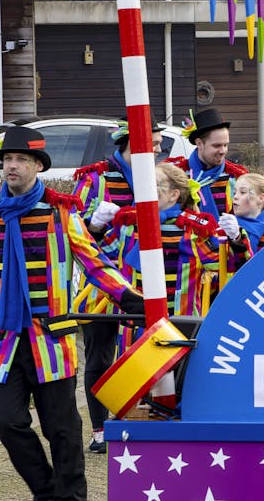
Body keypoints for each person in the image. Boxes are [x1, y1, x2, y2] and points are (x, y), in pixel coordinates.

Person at [0, 126, 144, 501]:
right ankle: (47, 492)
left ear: (38, 166)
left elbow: (94, 262)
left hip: (50, 339)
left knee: (63, 429)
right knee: (8, 423)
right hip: (1, 339)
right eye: (7, 159)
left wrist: (131, 299)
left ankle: (72, 497)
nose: (12, 166)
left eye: (21, 159)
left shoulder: (61, 211)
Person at [72, 114, 164, 453]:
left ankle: (136, 423)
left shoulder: (158, 179)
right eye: (153, 143)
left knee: (141, 353)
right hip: (100, 287)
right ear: (132, 142)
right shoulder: (95, 178)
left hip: (142, 286)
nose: (158, 150)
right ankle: (99, 430)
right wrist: (94, 225)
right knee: (99, 356)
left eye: (159, 144)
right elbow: (72, 231)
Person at [105, 162, 231, 352]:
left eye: (154, 183)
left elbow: (227, 267)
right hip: (134, 329)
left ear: (174, 195)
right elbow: (101, 259)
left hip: (179, 330)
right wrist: (95, 227)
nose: (145, 188)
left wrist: (236, 240)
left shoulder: (194, 232)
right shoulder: (129, 226)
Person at [168, 108, 247, 220]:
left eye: (225, 145)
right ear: (199, 143)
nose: (223, 151)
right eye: (216, 146)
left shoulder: (236, 176)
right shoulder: (176, 174)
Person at [219, 172, 264, 254]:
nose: (235, 197)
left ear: (261, 198)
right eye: (234, 193)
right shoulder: (226, 228)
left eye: (243, 192)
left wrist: (238, 239)